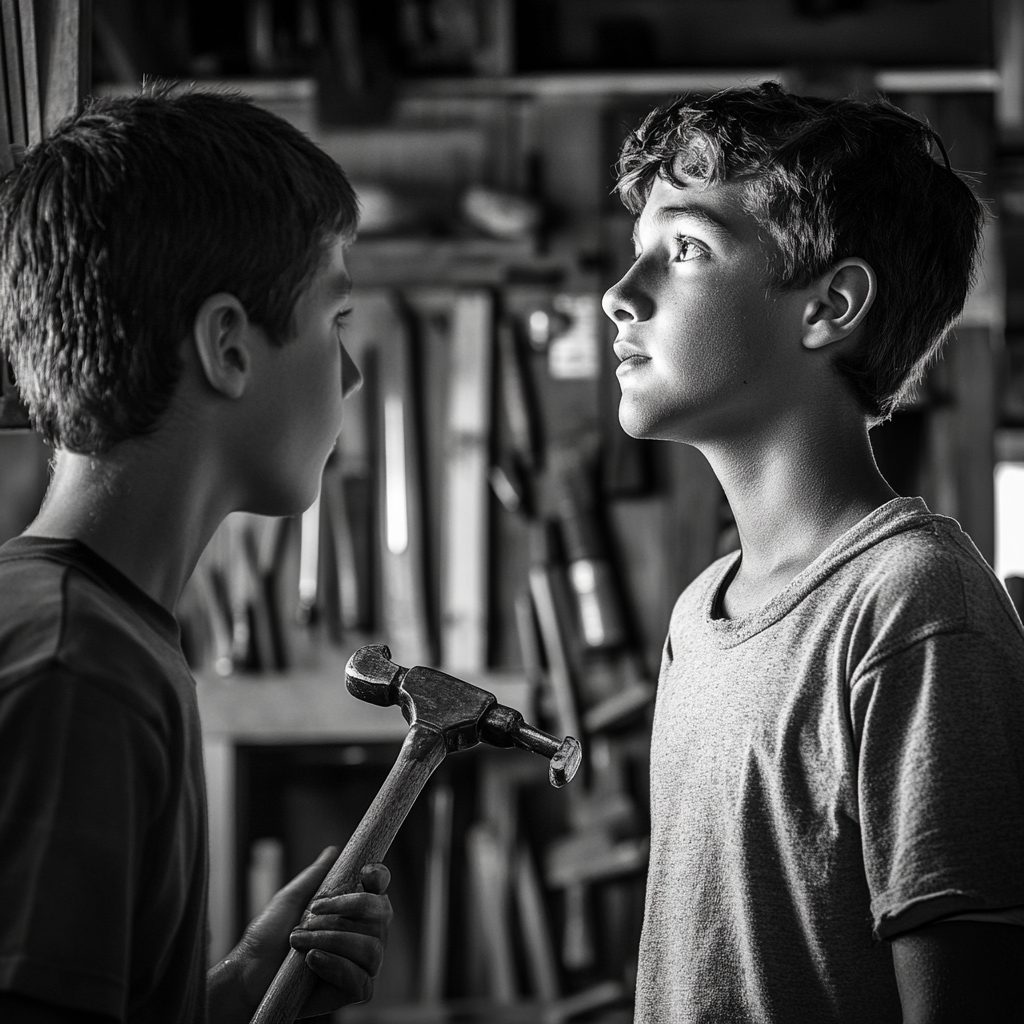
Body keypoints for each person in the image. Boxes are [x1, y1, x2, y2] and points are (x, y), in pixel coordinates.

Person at [602, 83, 1024, 1022]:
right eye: (638, 254)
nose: (619, 297)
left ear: (828, 305)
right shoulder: (698, 614)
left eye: (684, 249)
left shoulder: (916, 607)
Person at [0, 88, 391, 1023]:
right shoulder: (77, 669)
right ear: (228, 346)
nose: (351, 372)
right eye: (335, 322)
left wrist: (243, 986)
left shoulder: (86, 628)